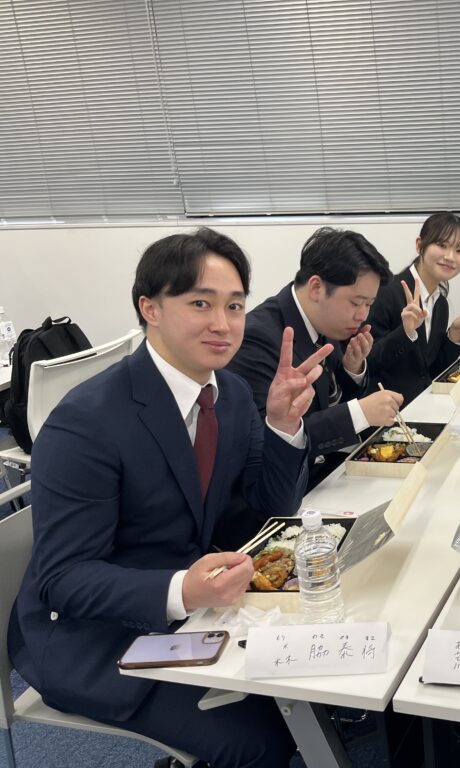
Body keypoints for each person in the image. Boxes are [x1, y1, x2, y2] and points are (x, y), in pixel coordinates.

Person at [8, 228, 331, 767]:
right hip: (94, 635)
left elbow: (271, 501)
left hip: (193, 604)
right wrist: (183, 590)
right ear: (150, 308)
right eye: (200, 303)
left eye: (234, 306)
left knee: (315, 688)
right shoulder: (86, 422)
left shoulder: (228, 394)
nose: (222, 323)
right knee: (263, 736)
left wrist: (281, 425)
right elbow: (64, 579)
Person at [229, 226, 403, 490]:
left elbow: (327, 400)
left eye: (369, 304)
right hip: (291, 489)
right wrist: (358, 414)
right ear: (316, 288)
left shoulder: (326, 322)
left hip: (329, 474)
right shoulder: (257, 338)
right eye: (356, 303)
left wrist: (352, 369)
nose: (362, 315)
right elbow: (270, 437)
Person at [367, 212, 460, 404]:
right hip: (388, 411)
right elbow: (365, 364)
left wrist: (455, 333)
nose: (450, 257)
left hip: (425, 406)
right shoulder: (386, 292)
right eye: (442, 245)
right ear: (420, 245)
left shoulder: (440, 303)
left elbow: (431, 372)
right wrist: (406, 333)